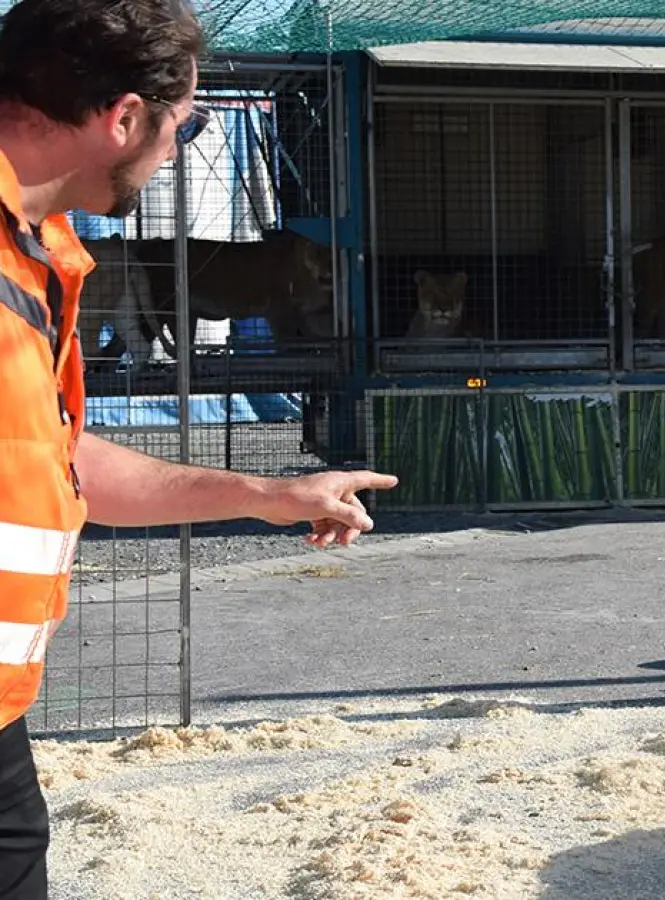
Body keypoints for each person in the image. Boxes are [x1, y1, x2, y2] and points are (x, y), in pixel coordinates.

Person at [0, 0, 397, 894]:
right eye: (181, 125)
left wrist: (267, 495)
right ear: (124, 117)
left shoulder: (36, 252)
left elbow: (59, 460)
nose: (177, 151)